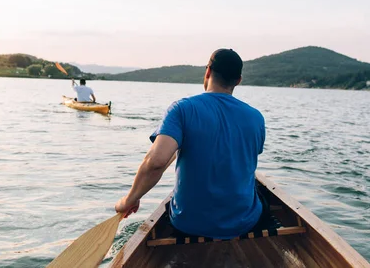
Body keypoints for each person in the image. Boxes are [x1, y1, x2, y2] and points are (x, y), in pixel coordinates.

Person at [114, 49, 266, 239]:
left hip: (188, 223)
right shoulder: (256, 117)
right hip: (243, 223)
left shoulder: (182, 109)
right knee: (262, 194)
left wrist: (129, 200)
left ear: (208, 72)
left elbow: (156, 162)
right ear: (238, 80)